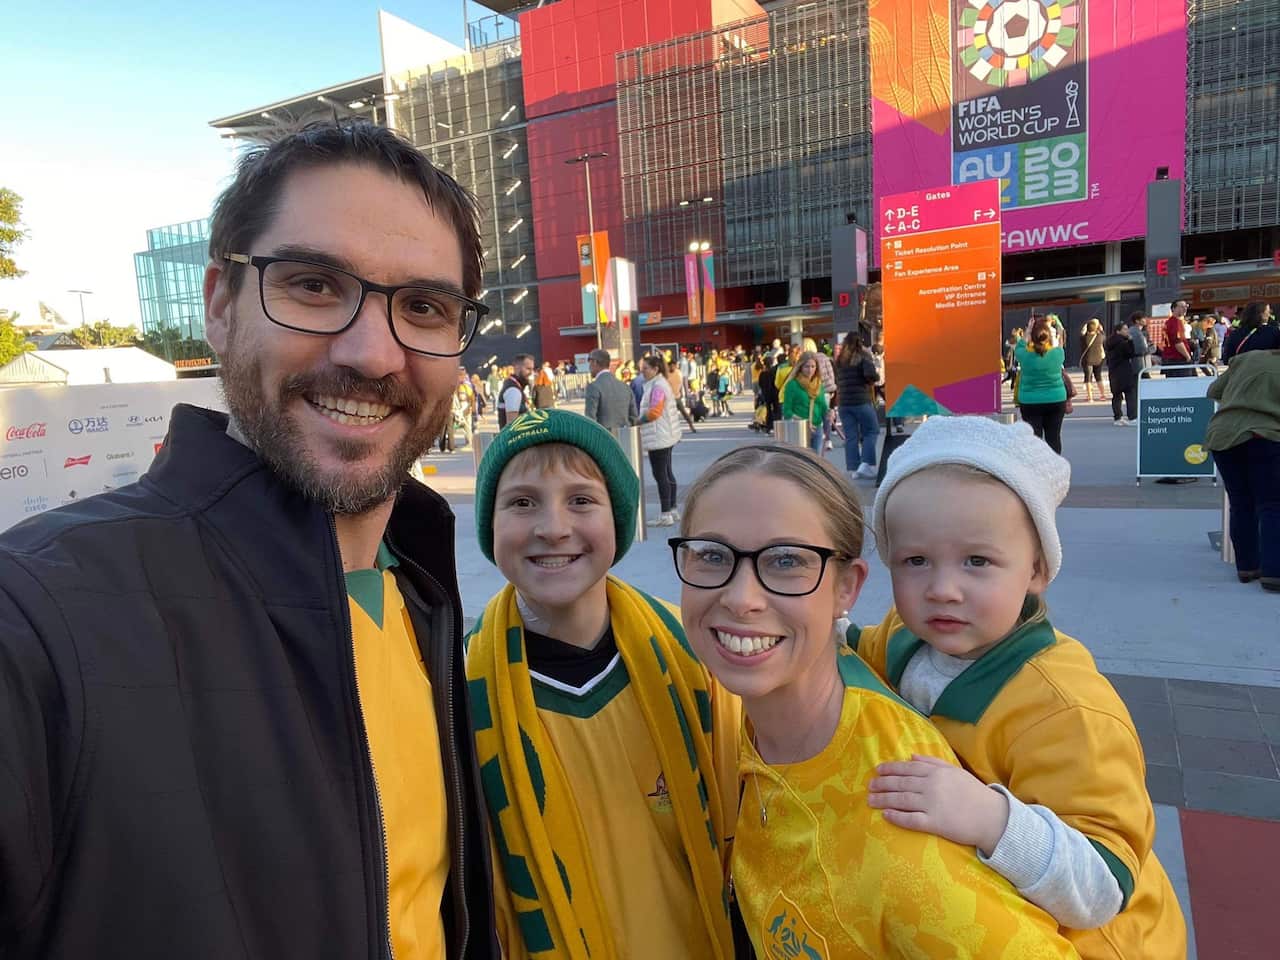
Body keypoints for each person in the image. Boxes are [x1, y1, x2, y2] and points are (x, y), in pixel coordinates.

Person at [0, 121, 497, 958]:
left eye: (423, 307)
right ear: (221, 306)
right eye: (312, 284)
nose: (374, 353)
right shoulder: (41, 618)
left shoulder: (419, 595)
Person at [670, 444, 1078, 959]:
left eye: (787, 561)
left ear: (847, 587)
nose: (741, 597)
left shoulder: (899, 819)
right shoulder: (757, 725)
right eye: (712, 555)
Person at [858, 416, 1187, 958]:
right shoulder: (905, 636)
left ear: (1036, 570)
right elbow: (857, 651)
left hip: (1084, 944)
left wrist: (992, 818)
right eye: (915, 560)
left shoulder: (1063, 708)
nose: (942, 589)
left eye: (977, 561)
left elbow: (1104, 884)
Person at [467, 410, 740, 958]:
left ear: (619, 519)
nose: (553, 527)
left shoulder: (696, 657)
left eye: (581, 500)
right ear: (488, 527)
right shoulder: (460, 685)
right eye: (522, 502)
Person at [1206, 340, 1280, 591]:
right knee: (1271, 505)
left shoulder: (1245, 360)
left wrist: (1242, 396)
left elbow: (1213, 391)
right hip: (1264, 436)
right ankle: (1274, 572)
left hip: (1223, 435)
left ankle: (1247, 567)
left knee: (1241, 503)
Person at [639, 353, 684, 526]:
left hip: (659, 435)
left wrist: (638, 420)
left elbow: (654, 412)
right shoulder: (661, 383)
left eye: (645, 369)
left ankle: (666, 513)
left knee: (660, 475)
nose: (642, 372)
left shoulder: (657, 386)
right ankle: (672, 508)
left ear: (655, 369)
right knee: (667, 472)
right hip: (667, 434)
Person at [1016, 316, 1069, 454]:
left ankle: (1037, 470)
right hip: (1056, 399)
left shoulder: (1023, 355)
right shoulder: (1058, 353)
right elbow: (1059, 340)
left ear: (1032, 337)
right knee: (1054, 437)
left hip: (1030, 401)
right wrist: (1056, 324)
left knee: (1034, 439)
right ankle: (1056, 469)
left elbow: (1020, 345)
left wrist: (1027, 331)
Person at [835, 332, 880, 479]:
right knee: (871, 431)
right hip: (861, 401)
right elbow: (871, 375)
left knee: (851, 436)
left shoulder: (840, 359)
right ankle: (866, 464)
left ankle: (854, 469)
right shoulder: (863, 356)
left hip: (843, 403)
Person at [780, 350, 829, 454]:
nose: (810, 370)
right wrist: (803, 421)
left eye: (813, 366)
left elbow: (823, 407)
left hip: (817, 428)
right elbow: (787, 411)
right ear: (800, 367)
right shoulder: (792, 385)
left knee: (816, 463)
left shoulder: (818, 384)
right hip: (800, 429)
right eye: (807, 366)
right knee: (803, 463)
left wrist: (830, 412)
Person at [582, 348, 637, 430]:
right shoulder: (625, 387)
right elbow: (634, 417)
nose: (589, 367)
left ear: (595, 362)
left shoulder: (593, 387)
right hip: (625, 438)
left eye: (590, 363)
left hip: (604, 439)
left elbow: (590, 420)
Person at [1104, 318, 1138, 425]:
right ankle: (1132, 417)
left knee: (1116, 395)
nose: (1127, 331)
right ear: (1118, 331)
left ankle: (1117, 417)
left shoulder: (1109, 342)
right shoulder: (1123, 342)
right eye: (1125, 329)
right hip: (1124, 370)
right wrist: (1131, 341)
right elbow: (1131, 353)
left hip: (1114, 371)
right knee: (1130, 393)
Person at [1160, 300, 1194, 376]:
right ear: (1173, 309)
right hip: (1178, 359)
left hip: (1170, 358)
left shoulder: (1168, 322)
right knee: (1183, 384)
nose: (1185, 309)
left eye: (1186, 306)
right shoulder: (1175, 323)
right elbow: (1178, 342)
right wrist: (1188, 357)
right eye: (1181, 306)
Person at [501, 353, 535, 427]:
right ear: (517, 368)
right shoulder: (513, 389)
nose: (531, 373)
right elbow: (512, 425)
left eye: (532, 369)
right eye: (528, 369)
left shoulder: (513, 385)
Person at [665, 355, 698, 432]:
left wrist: (681, 392)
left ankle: (691, 426)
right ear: (669, 366)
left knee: (684, 412)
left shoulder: (678, 372)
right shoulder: (666, 374)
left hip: (677, 397)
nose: (673, 367)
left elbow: (680, 383)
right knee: (669, 415)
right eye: (672, 366)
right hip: (669, 398)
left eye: (675, 366)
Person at [1079, 318, 1108, 403]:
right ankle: (1103, 395)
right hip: (1098, 359)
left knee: (1088, 377)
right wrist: (1100, 329)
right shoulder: (1100, 336)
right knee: (1098, 376)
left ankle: (1090, 397)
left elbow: (1082, 332)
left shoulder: (1084, 338)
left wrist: (1085, 325)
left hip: (1087, 360)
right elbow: (1104, 337)